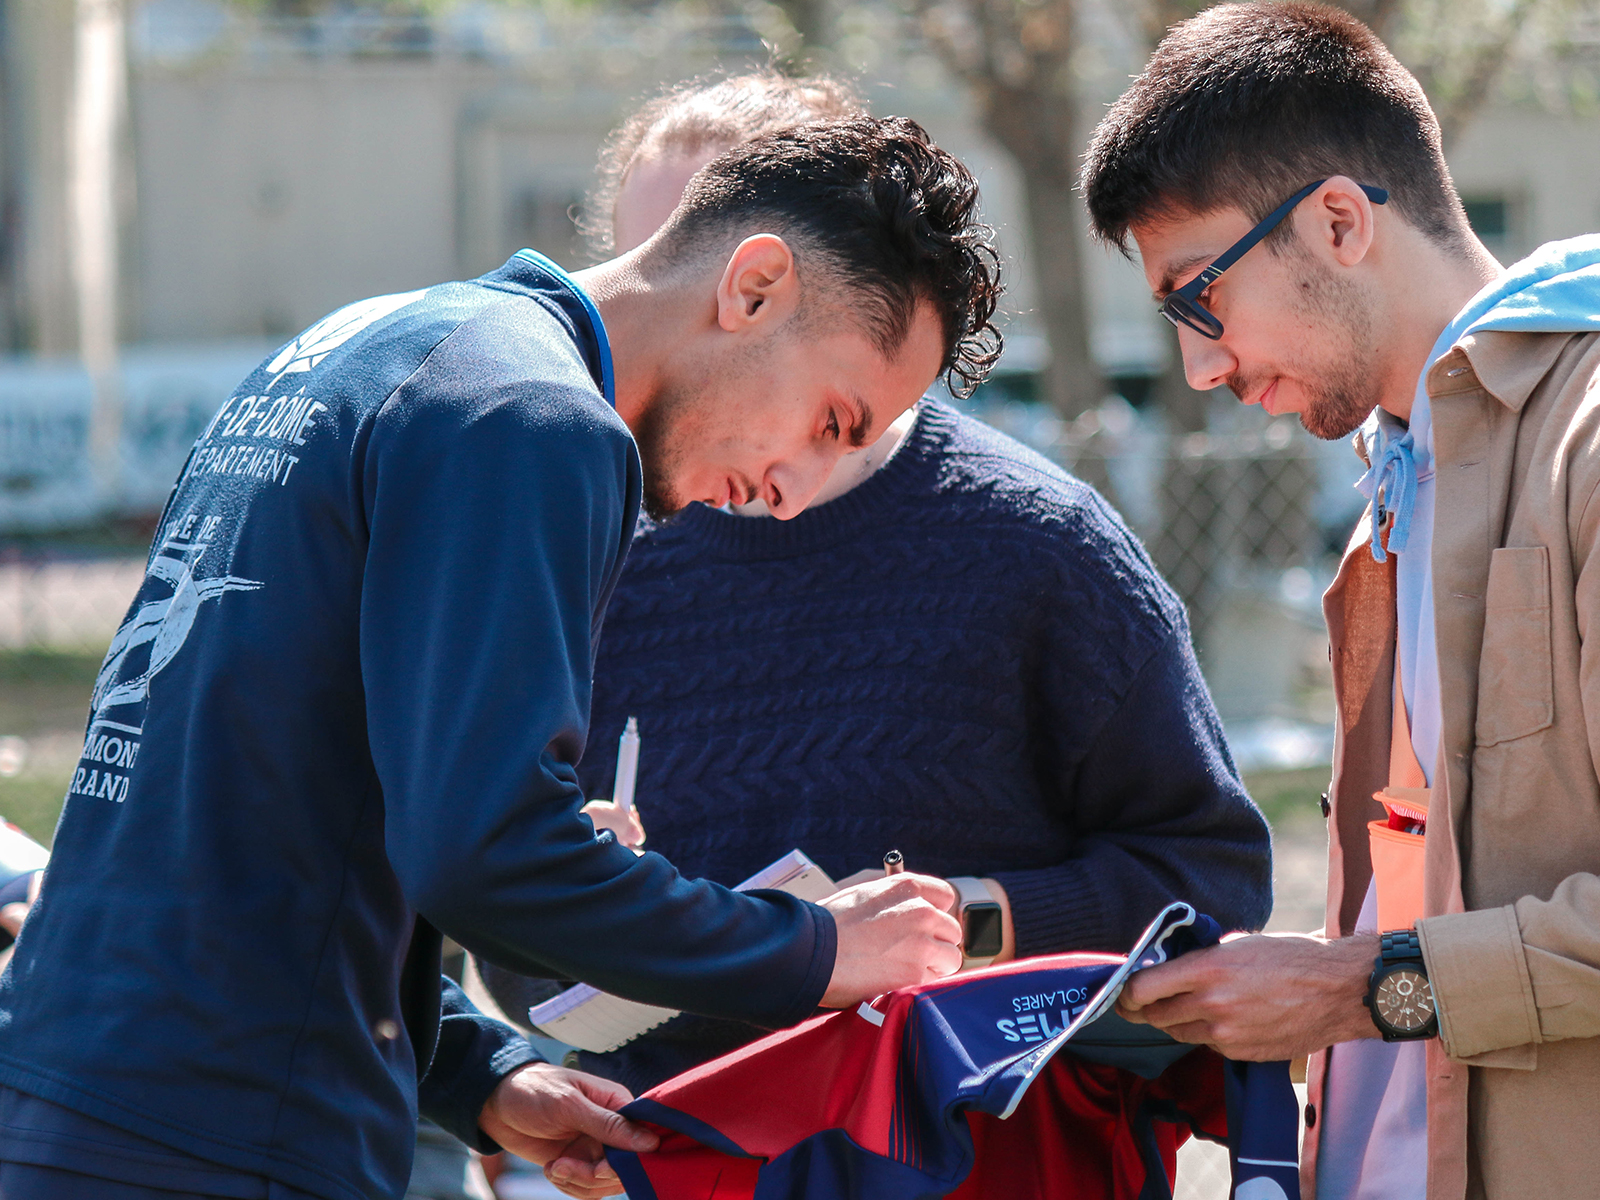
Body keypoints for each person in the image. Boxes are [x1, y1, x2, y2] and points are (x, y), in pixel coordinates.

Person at [0, 115, 1002, 1200]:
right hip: (220, 1142)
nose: (792, 490)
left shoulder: (374, 343)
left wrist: (479, 1071)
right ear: (753, 288)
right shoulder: (534, 419)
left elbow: (254, 824)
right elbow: (491, 854)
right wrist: (811, 949)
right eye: (831, 420)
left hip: (78, 1089)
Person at [475, 69, 1273, 1097]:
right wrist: (565, 918)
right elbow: (494, 919)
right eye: (653, 262)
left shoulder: (1041, 545)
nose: (684, 313)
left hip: (966, 1148)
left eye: (718, 266)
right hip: (677, 1144)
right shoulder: (574, 539)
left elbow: (1210, 878)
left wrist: (965, 922)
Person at [1080, 5, 1600, 1197]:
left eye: (1197, 298)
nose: (1200, 364)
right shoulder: (1395, 486)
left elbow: (1388, 974)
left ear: (1337, 222)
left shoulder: (1582, 441)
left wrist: (1355, 987)